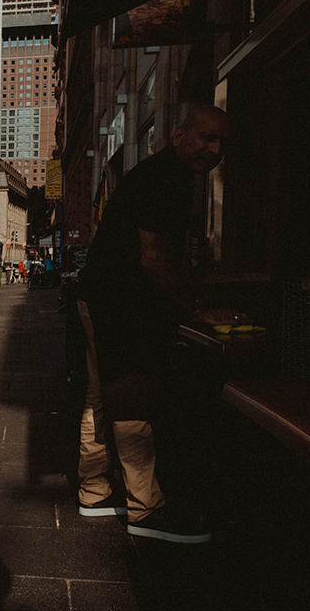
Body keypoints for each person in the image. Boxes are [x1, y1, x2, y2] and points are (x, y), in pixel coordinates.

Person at [75, 103, 244, 543]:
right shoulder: (165, 177)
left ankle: (94, 492)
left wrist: (195, 301)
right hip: (120, 304)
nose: (213, 149)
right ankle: (145, 511)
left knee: (101, 398)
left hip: (104, 298)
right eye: (206, 138)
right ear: (178, 135)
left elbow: (171, 254)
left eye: (221, 142)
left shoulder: (172, 176)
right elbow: (153, 258)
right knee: (130, 399)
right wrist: (196, 309)